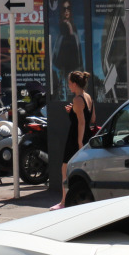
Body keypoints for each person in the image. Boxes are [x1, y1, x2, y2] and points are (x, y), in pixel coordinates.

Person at [51, 71, 94, 210]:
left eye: (69, 83)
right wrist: (73, 112)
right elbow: (91, 119)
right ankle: (70, 200)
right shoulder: (87, 97)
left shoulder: (78, 99)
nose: (69, 86)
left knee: (65, 168)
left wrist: (79, 142)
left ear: (75, 84)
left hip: (76, 138)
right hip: (86, 135)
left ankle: (63, 202)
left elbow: (81, 123)